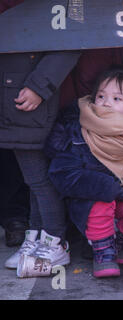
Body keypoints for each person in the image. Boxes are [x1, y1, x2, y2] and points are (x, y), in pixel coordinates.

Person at [45, 69, 123, 278]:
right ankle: (103, 253)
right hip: (90, 202)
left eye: (117, 98)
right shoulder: (78, 130)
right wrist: (107, 187)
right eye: (101, 96)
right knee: (101, 201)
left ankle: (115, 243)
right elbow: (61, 173)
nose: (106, 103)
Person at [1, 19, 80, 269]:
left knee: (39, 179)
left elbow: (72, 38)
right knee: (32, 179)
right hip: (15, 94)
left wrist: (39, 86)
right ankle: (35, 238)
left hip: (25, 96)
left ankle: (54, 242)